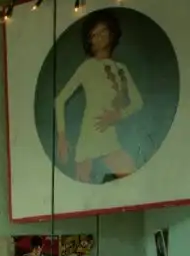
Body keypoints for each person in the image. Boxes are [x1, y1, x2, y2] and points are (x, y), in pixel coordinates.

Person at [55, 11, 143, 184]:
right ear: (90, 41)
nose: (100, 37)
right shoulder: (87, 67)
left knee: (130, 177)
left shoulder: (121, 68)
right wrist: (62, 137)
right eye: (94, 35)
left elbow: (138, 102)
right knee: (83, 186)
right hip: (90, 134)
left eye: (103, 31)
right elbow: (59, 100)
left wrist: (119, 115)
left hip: (110, 135)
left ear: (112, 33)